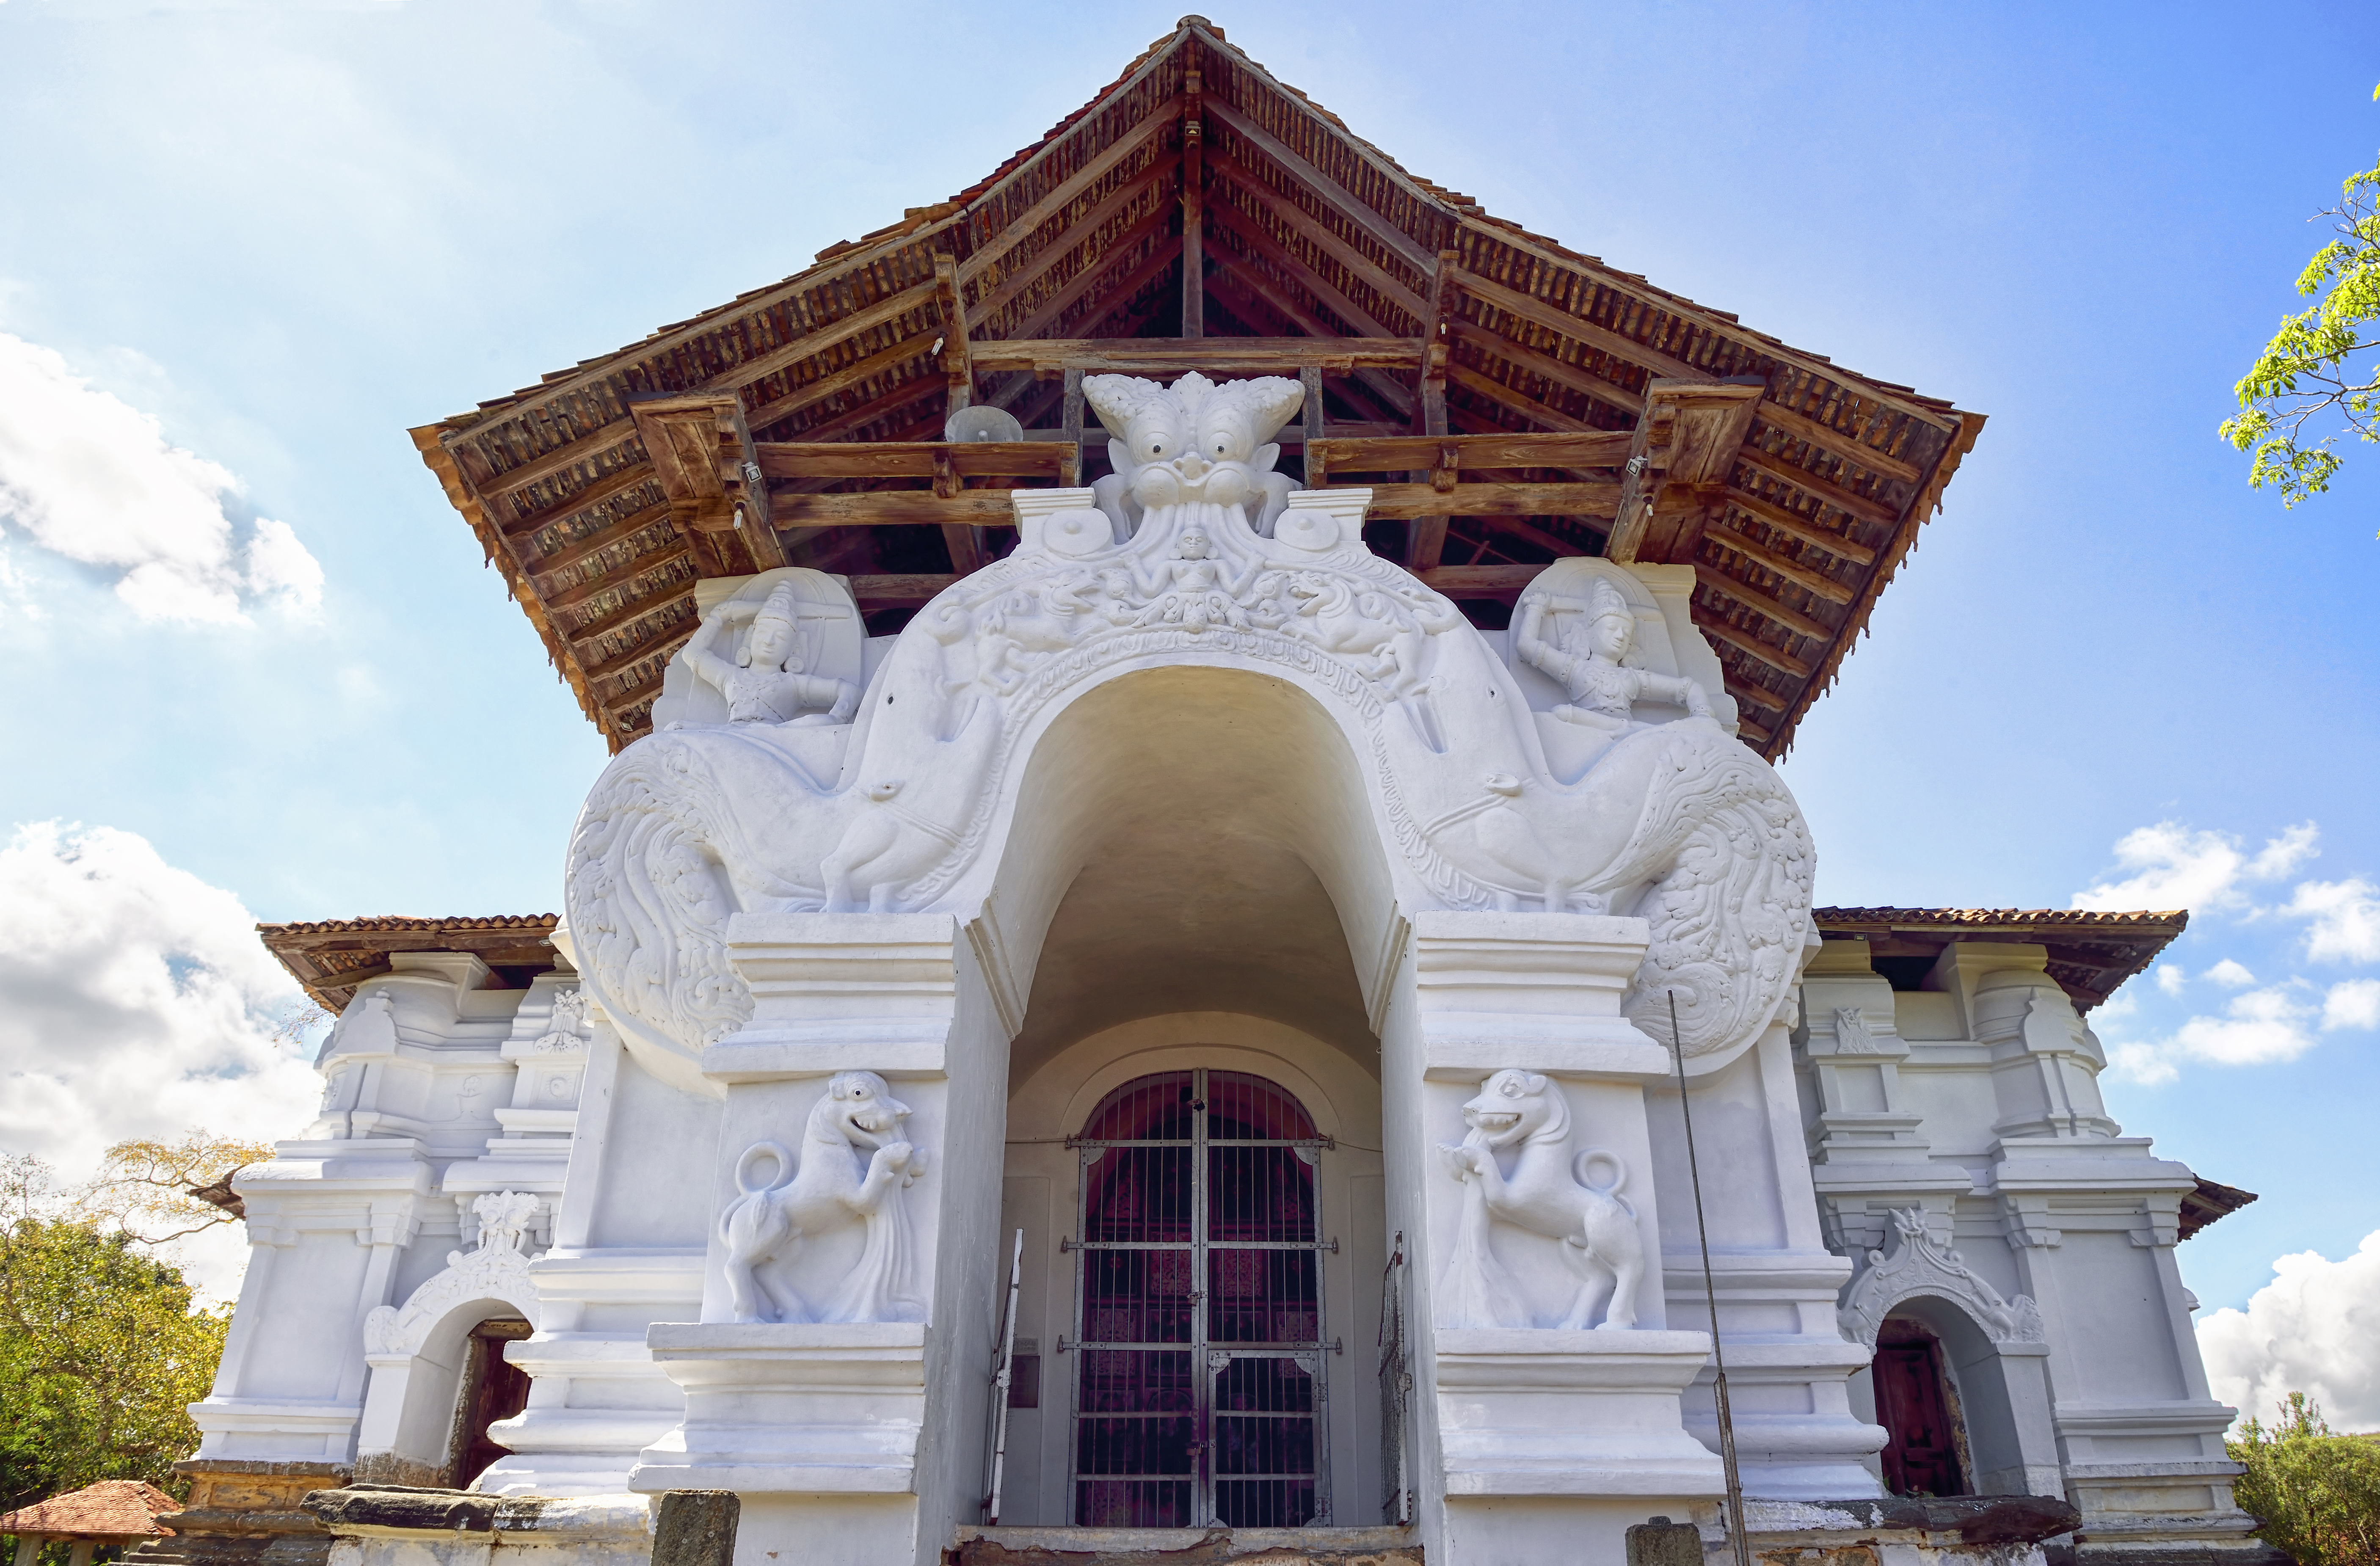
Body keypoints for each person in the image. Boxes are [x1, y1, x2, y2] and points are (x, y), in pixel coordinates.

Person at [1513, 576, 1712, 728]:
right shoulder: (1575, 669)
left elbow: (1688, 689)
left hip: (1629, 734)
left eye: (1627, 633)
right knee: (1558, 716)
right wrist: (1536, 609)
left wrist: (1703, 716)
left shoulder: (1632, 678)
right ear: (1588, 633)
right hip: (1587, 727)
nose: (1620, 636)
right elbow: (1526, 645)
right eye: (1611, 628)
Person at [687, 582, 859, 725]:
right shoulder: (731, 676)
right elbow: (692, 654)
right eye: (763, 632)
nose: (769, 641)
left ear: (794, 649)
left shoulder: (792, 683)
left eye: (782, 637)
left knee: (815, 722)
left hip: (769, 737)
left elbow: (851, 691)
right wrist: (718, 617)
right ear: (750, 637)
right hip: (729, 735)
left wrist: (836, 718)